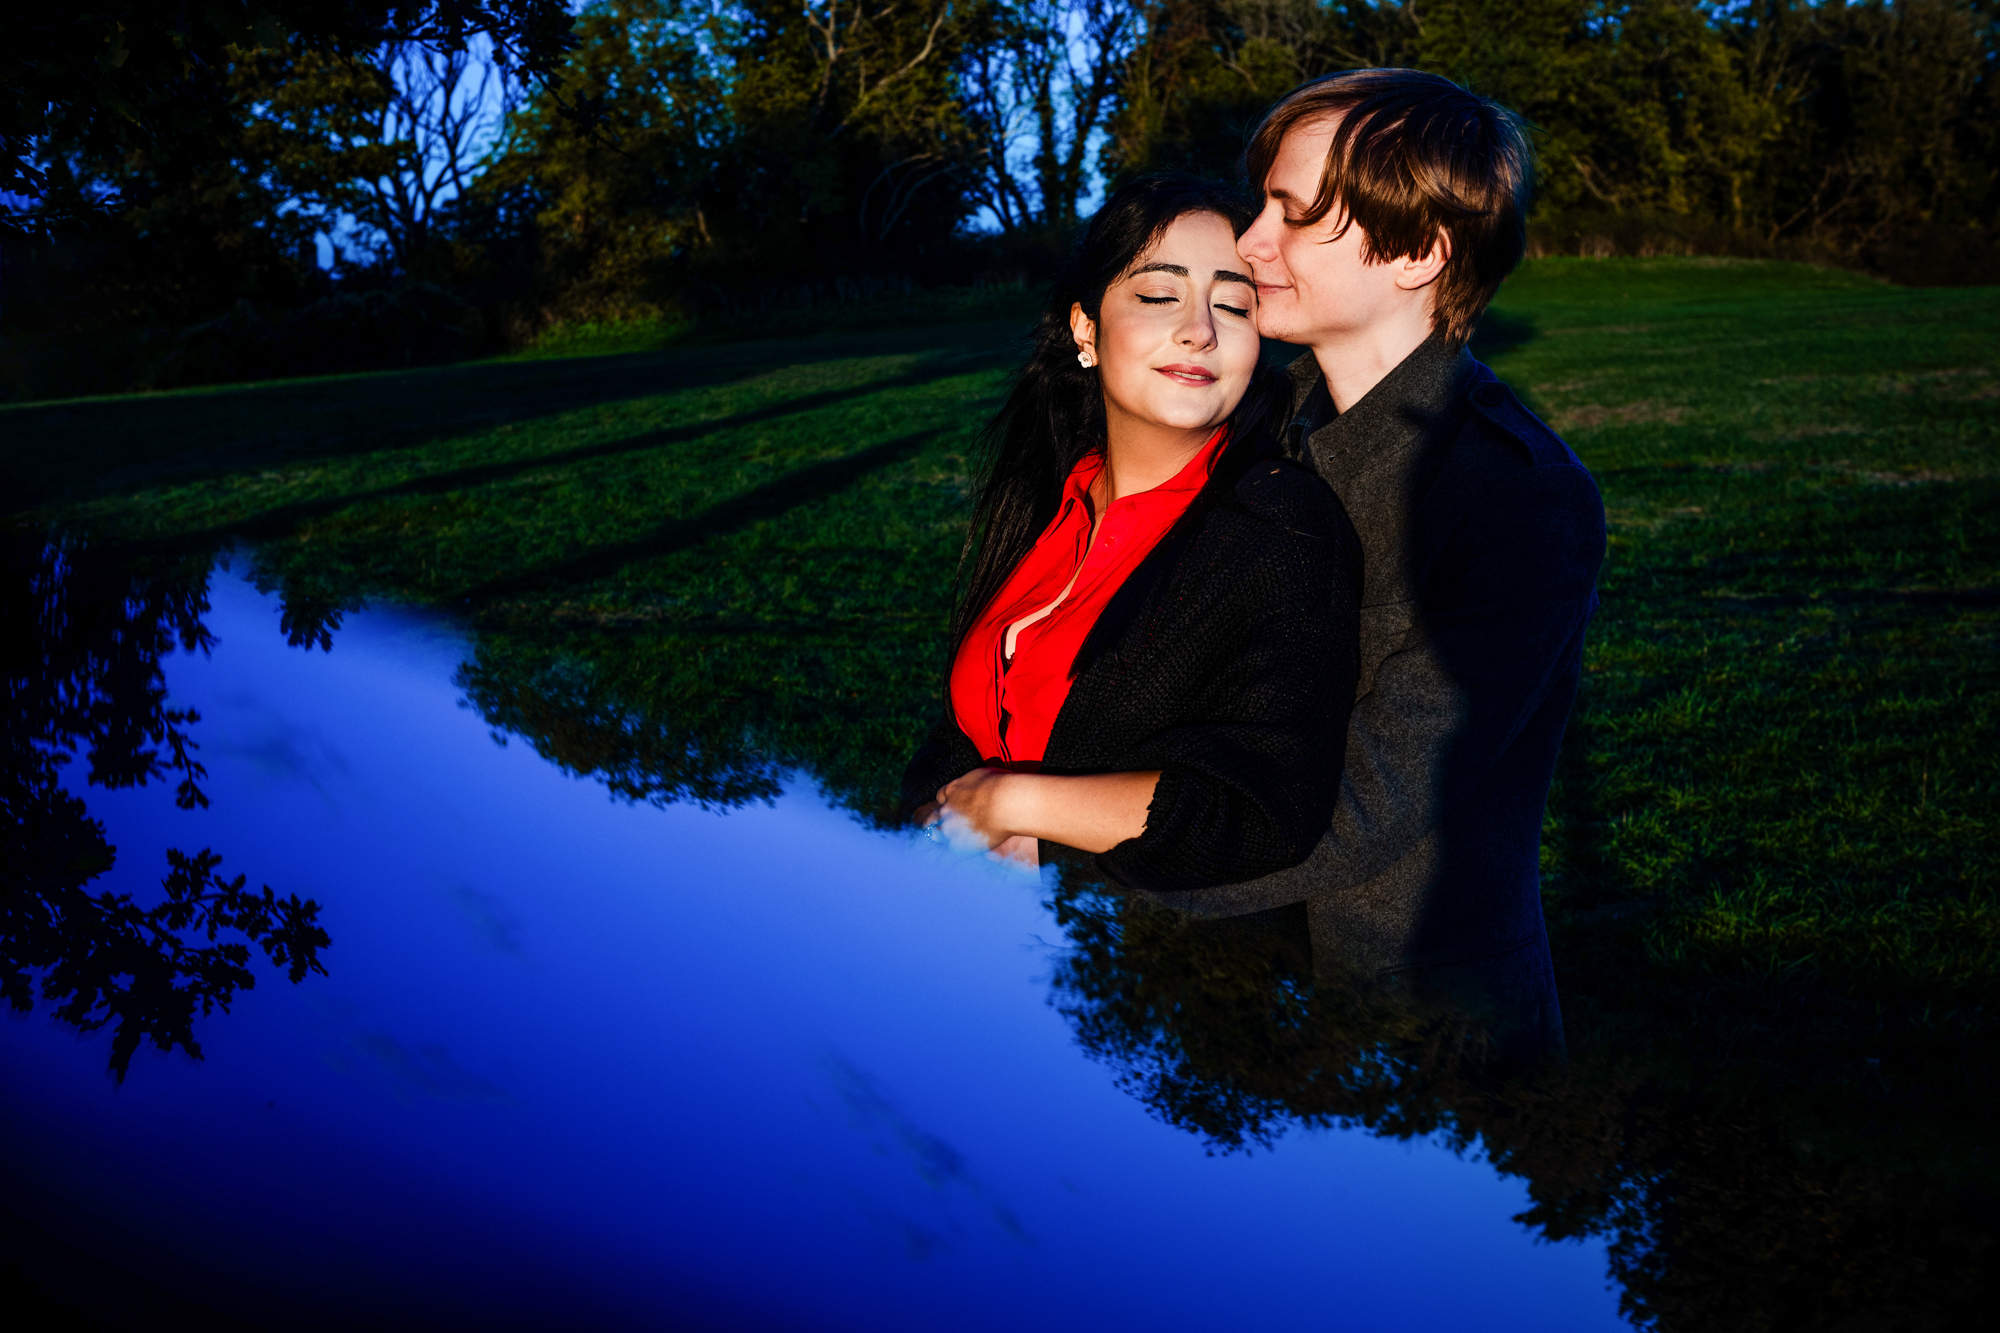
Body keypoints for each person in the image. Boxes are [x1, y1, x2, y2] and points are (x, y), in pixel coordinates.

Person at [1142, 69, 1608, 1057]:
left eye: (1295, 215)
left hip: (1422, 1051)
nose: (1249, 242)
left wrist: (1058, 837)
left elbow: (1360, 807)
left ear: (1418, 252)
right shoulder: (1239, 437)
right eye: (1259, 205)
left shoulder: (1516, 498)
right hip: (1222, 1026)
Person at [900, 174, 1362, 895]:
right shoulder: (1048, 498)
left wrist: (1015, 804)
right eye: (1159, 294)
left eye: (1234, 305)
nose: (1199, 329)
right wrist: (932, 821)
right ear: (1087, 328)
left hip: (1124, 971)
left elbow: (1264, 811)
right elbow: (965, 730)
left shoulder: (1278, 530)